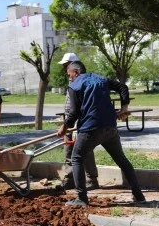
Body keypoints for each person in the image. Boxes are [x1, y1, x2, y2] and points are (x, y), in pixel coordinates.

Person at [57, 61, 146, 207]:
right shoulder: (101, 79)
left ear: (76, 72)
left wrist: (64, 127)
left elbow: (74, 112)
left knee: (77, 158)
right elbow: (122, 87)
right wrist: (124, 108)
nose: (69, 78)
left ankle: (81, 198)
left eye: (69, 75)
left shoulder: (74, 86)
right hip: (110, 127)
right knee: (121, 159)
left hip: (90, 128)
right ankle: (139, 195)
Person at [56, 53, 99, 191]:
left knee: (85, 151)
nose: (64, 68)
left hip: (80, 122)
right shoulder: (71, 79)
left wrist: (75, 125)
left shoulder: (83, 81)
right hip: (70, 120)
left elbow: (81, 106)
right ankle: (70, 180)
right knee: (68, 150)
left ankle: (91, 179)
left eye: (65, 65)